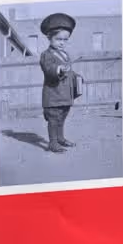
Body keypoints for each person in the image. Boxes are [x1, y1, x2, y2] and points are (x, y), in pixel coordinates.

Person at [38, 12, 80, 153]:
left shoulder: (65, 54)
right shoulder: (46, 55)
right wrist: (59, 69)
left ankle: (60, 138)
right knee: (53, 119)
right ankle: (53, 143)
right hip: (53, 95)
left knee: (62, 118)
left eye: (65, 40)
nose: (62, 42)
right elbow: (49, 69)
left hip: (64, 96)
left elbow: (68, 71)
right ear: (49, 38)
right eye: (58, 39)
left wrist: (76, 76)